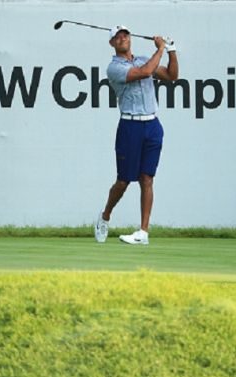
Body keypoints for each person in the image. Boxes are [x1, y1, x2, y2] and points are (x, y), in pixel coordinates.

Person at [94, 25, 178, 245]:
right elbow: (144, 73)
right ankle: (105, 216)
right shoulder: (114, 68)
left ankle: (143, 232)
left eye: (125, 35)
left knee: (147, 179)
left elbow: (172, 75)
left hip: (152, 125)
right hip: (130, 127)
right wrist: (160, 49)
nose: (122, 38)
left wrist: (172, 50)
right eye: (117, 37)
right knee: (123, 181)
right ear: (112, 43)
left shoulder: (143, 58)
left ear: (130, 38)